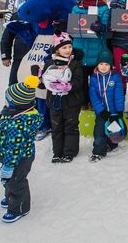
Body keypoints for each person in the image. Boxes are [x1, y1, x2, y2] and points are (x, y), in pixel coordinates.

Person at [0, 69, 43, 223]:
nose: (5, 102)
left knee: (15, 180)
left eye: (7, 99)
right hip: (8, 153)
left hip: (19, 157)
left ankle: (19, 208)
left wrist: (8, 166)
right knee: (8, 180)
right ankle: (10, 196)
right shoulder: (15, 111)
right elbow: (1, 114)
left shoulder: (19, 124)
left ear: (17, 103)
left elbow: (14, 149)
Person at [41, 31, 84, 163]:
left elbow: (79, 80)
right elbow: (44, 80)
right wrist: (42, 81)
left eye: (69, 47)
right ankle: (57, 152)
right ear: (57, 49)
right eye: (64, 47)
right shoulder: (49, 63)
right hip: (54, 101)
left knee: (70, 126)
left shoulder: (75, 63)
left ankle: (69, 152)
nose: (68, 50)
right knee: (56, 127)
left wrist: (69, 86)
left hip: (71, 101)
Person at [70, 0, 111, 108]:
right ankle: (83, 102)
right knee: (80, 79)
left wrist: (101, 27)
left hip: (96, 48)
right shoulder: (76, 7)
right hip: (80, 48)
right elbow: (72, 27)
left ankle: (96, 102)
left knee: (96, 79)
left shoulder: (103, 8)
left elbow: (106, 28)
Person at [89, 50, 125, 162]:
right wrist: (100, 111)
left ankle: (111, 145)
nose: (103, 67)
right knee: (99, 132)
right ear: (97, 65)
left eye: (106, 64)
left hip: (113, 112)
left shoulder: (115, 78)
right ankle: (98, 152)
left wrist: (119, 111)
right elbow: (93, 97)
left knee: (113, 131)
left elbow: (119, 95)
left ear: (111, 65)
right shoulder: (94, 79)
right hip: (102, 113)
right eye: (101, 64)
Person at [1, 11, 31, 86]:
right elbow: (7, 38)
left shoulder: (45, 12)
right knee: (14, 84)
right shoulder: (17, 16)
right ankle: (13, 97)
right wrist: (5, 56)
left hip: (38, 56)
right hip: (19, 57)